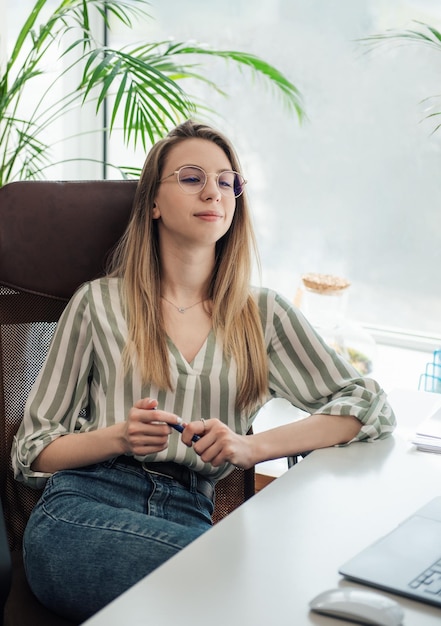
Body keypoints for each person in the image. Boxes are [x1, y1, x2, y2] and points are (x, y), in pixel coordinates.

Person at [11, 119, 396, 621]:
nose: (213, 191)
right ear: (153, 202)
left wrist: (250, 448)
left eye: (226, 180)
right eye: (191, 177)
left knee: (226, 591)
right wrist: (119, 437)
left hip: (189, 512)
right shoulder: (98, 303)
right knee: (245, 587)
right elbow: (32, 451)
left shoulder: (263, 315)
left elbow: (369, 406)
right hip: (81, 510)